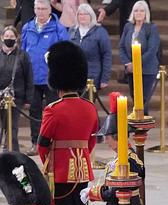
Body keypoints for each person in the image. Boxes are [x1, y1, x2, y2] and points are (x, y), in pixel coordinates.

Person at [37, 41, 98, 205]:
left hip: (61, 174)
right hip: (82, 172)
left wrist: (49, 166)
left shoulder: (54, 110)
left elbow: (42, 145)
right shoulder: (90, 109)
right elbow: (90, 143)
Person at [21, 0, 69, 156]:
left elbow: (65, 52)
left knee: (53, 111)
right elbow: (22, 53)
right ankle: (35, 142)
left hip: (51, 78)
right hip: (32, 78)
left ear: (50, 10)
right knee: (34, 111)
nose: (40, 12)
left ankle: (53, 142)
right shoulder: (27, 28)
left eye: (43, 9)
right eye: (38, 8)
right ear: (34, 9)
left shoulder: (59, 29)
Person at [118, 0, 159, 116]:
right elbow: (121, 47)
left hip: (147, 69)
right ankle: (137, 122)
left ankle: (142, 126)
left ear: (146, 13)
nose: (139, 13)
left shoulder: (151, 28)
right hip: (131, 69)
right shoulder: (128, 26)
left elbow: (152, 50)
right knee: (135, 97)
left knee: (143, 99)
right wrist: (127, 63)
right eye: (136, 10)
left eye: (142, 11)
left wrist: (136, 63)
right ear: (133, 12)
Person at [0, 26, 33, 153]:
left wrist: (28, 99)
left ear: (16, 38)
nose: (9, 39)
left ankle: (13, 154)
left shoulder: (23, 56)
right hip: (0, 96)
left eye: (11, 37)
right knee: (2, 126)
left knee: (12, 128)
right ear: (2, 38)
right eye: (7, 36)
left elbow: (29, 77)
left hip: (16, 97)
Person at [69, 3, 112, 90]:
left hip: (92, 77)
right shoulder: (72, 30)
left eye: (86, 14)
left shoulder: (100, 32)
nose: (83, 16)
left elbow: (107, 56)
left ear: (91, 16)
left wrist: (104, 79)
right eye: (80, 14)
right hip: (74, 77)